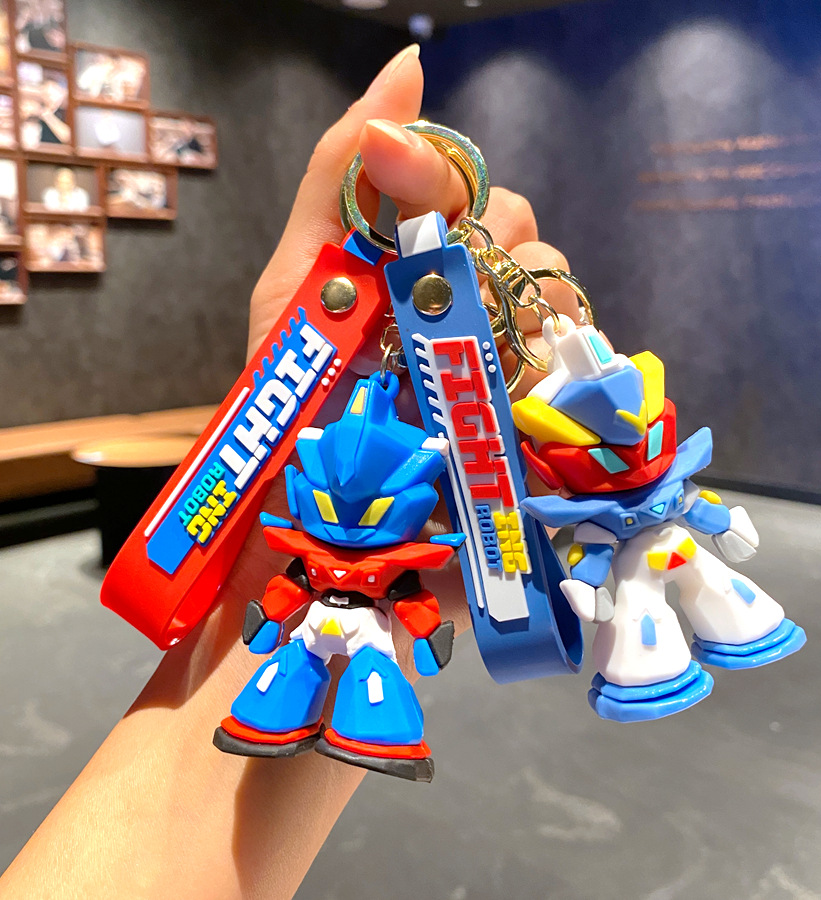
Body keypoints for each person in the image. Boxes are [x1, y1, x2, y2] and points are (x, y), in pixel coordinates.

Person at [0, 45, 580, 899]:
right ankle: (271, 712)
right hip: (313, 606)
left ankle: (371, 725)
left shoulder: (400, 538)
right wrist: (264, 610)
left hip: (363, 614)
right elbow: (284, 583)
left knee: (368, 681)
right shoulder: (303, 525)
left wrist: (432, 610)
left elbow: (413, 595)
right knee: (285, 678)